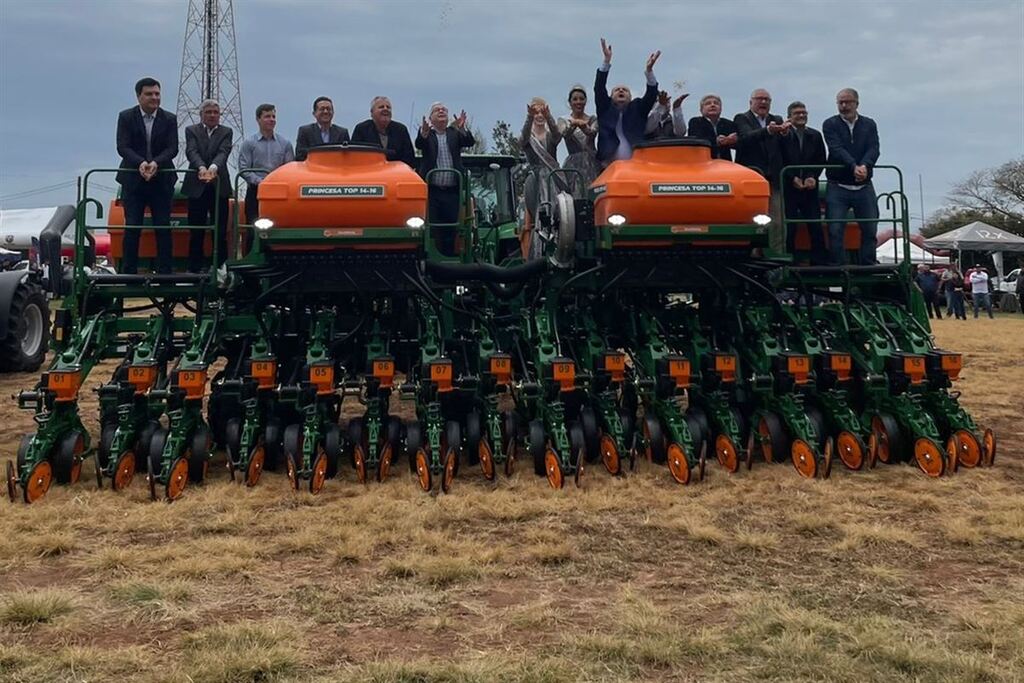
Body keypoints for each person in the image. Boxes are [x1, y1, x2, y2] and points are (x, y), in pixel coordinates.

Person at [115, 77, 178, 274]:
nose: (154, 98)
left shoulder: (169, 119)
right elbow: (123, 146)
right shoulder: (126, 117)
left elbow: (173, 148)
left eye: (157, 94)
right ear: (138, 96)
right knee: (132, 226)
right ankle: (129, 271)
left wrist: (156, 163)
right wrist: (141, 163)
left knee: (163, 227)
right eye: (149, 94)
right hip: (134, 180)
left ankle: (165, 271)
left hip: (161, 180)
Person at [822, 88, 880, 266]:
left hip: (864, 185)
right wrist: (854, 166)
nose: (844, 106)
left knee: (870, 228)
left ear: (857, 103)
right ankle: (838, 264)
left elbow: (874, 148)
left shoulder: (869, 124)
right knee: (835, 228)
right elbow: (836, 148)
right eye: (840, 102)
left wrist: (865, 166)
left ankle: (867, 262)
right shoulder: (830, 124)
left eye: (848, 102)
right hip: (838, 185)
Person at [416, 102, 475, 255]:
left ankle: (450, 259)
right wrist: (423, 133)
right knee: (434, 227)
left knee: (451, 227)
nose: (441, 111)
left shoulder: (454, 133)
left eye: (444, 110)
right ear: (431, 118)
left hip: (451, 190)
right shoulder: (427, 134)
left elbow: (469, 142)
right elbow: (419, 144)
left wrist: (462, 127)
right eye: (437, 110)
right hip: (433, 190)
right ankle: (433, 258)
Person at [182, 99, 233, 272]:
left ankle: (220, 266)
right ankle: (194, 267)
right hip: (197, 184)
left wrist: (212, 169)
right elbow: (191, 150)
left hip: (219, 186)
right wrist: (202, 168)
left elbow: (223, 152)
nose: (212, 115)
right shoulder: (191, 130)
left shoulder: (227, 132)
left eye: (215, 112)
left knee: (219, 230)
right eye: (209, 112)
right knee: (196, 229)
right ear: (201, 114)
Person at [734, 89, 788, 250]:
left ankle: (777, 254)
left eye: (767, 100)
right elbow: (745, 137)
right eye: (759, 99)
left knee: (778, 221)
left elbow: (784, 148)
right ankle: (752, 254)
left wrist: (785, 133)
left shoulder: (776, 119)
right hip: (751, 180)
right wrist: (768, 131)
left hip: (773, 179)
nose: (763, 102)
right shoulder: (741, 118)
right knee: (751, 220)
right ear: (751, 102)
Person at [594, 38, 661, 165]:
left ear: (630, 97)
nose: (621, 91)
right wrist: (606, 62)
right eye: (617, 90)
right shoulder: (605, 108)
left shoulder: (637, 108)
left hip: (636, 165)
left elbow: (651, 95)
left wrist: (649, 71)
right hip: (608, 167)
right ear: (611, 96)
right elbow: (599, 88)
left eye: (625, 90)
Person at [779, 101, 826, 263]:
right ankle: (790, 259)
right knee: (790, 226)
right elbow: (779, 160)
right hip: (789, 187)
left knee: (815, 225)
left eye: (804, 113)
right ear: (789, 117)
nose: (801, 115)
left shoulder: (815, 135)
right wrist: (792, 178)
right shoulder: (782, 136)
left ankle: (819, 261)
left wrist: (812, 176)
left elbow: (821, 159)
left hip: (809, 188)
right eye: (797, 113)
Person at [238, 104, 295, 226]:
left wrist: (274, 182)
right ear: (258, 119)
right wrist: (261, 182)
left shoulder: (285, 144)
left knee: (277, 227)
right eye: (267, 116)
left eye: (273, 116)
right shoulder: (249, 143)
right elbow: (244, 169)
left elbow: (290, 168)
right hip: (255, 191)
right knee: (253, 228)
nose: (271, 119)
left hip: (278, 192)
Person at [351, 96, 416, 167]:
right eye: (381, 107)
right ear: (372, 113)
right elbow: (354, 157)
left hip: (396, 174)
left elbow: (409, 159)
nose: (385, 109)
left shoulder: (401, 130)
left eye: (388, 107)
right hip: (369, 172)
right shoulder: (361, 129)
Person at [557, 85, 600, 189]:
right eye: (575, 99)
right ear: (570, 102)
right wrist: (573, 125)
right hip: (573, 163)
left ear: (585, 101)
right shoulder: (563, 120)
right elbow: (564, 134)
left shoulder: (593, 119)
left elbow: (592, 132)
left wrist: (583, 126)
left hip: (592, 162)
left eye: (581, 99)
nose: (578, 102)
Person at [295, 97, 349, 161]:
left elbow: (347, 156)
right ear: (314, 113)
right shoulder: (305, 131)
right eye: (322, 109)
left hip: (336, 169)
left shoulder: (342, 132)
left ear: (333, 112)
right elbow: (300, 156)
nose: (325, 112)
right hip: (312, 169)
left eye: (328, 109)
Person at [687, 94, 737, 161]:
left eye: (716, 103)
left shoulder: (728, 123)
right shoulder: (695, 122)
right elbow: (697, 140)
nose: (712, 105)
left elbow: (737, 141)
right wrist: (717, 141)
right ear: (701, 110)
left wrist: (732, 140)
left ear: (721, 109)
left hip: (725, 165)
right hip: (703, 164)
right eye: (708, 103)